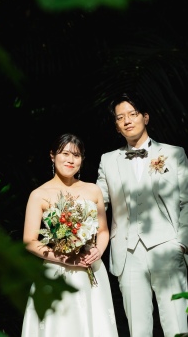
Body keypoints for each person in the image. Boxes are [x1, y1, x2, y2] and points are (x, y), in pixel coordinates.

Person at [96, 93, 188, 337]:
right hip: (127, 252)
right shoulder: (108, 160)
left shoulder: (174, 153)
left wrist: (182, 243)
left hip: (167, 246)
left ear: (145, 117)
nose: (127, 121)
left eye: (132, 114)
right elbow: (97, 202)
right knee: (138, 328)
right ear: (117, 126)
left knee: (176, 323)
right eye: (120, 118)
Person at [21, 133, 119, 337]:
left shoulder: (93, 190)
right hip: (57, 272)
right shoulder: (39, 194)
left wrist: (98, 251)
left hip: (92, 270)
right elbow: (29, 241)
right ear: (52, 156)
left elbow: (103, 230)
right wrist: (67, 259)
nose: (70, 160)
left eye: (76, 155)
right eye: (64, 153)